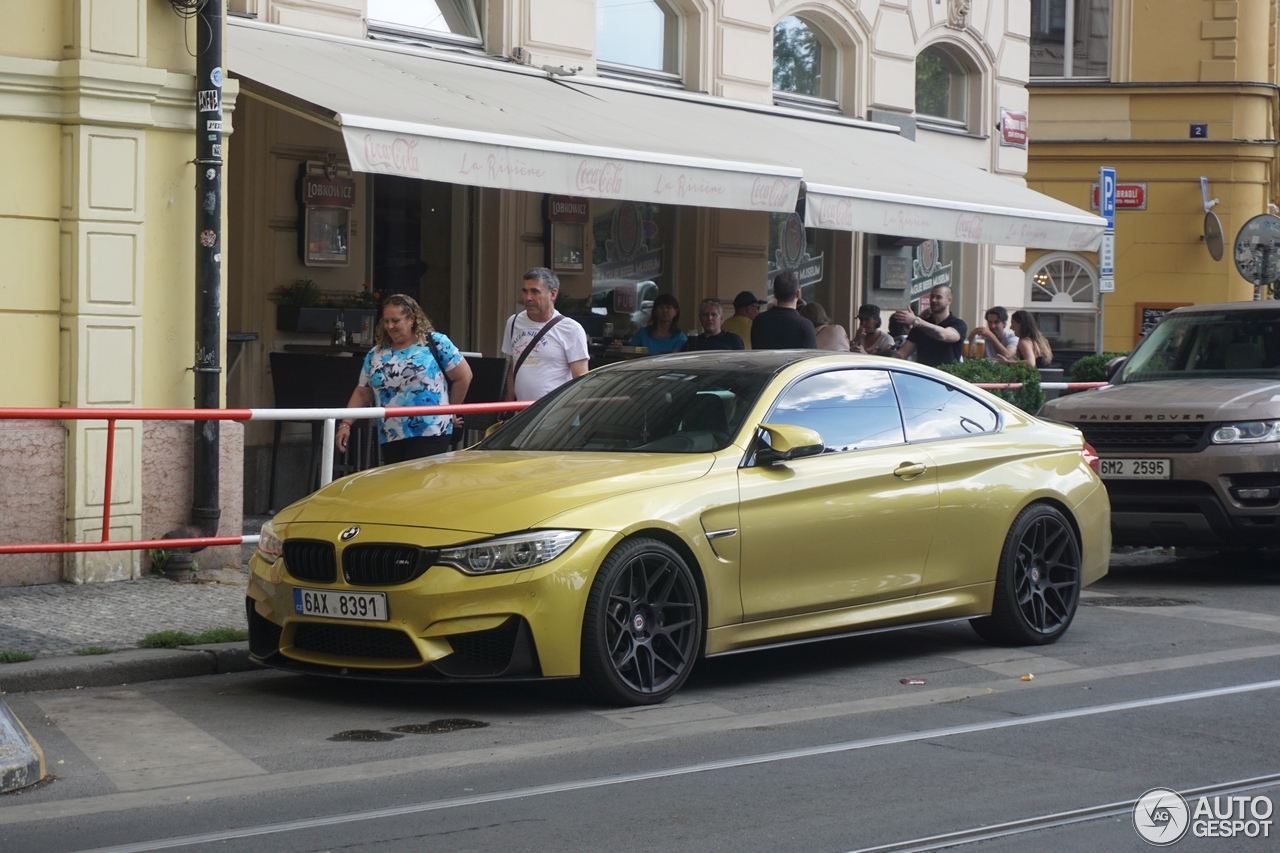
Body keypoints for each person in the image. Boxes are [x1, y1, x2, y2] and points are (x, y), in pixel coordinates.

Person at [336, 293, 473, 464]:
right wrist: (346, 424)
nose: (390, 326)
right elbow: (363, 392)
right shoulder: (376, 353)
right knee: (398, 486)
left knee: (419, 485)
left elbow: (464, 376)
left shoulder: (435, 342)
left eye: (395, 320)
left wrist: (451, 410)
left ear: (412, 319)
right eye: (386, 321)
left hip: (430, 431)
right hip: (390, 434)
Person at [503, 267, 590, 401]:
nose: (528, 298)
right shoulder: (513, 322)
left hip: (555, 414)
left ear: (553, 294)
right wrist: (509, 401)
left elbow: (580, 379)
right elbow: (512, 365)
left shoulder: (571, 329)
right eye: (525, 291)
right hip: (521, 413)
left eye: (535, 292)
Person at [892, 284, 967, 367]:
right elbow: (902, 353)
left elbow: (943, 335)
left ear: (949, 300)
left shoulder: (958, 324)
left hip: (947, 377)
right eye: (932, 297)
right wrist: (883, 361)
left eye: (939, 297)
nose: (934, 300)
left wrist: (916, 320)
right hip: (925, 377)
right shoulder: (920, 326)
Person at [751, 272, 817, 349]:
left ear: (774, 294)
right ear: (798, 293)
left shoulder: (759, 321)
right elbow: (809, 359)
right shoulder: (805, 326)